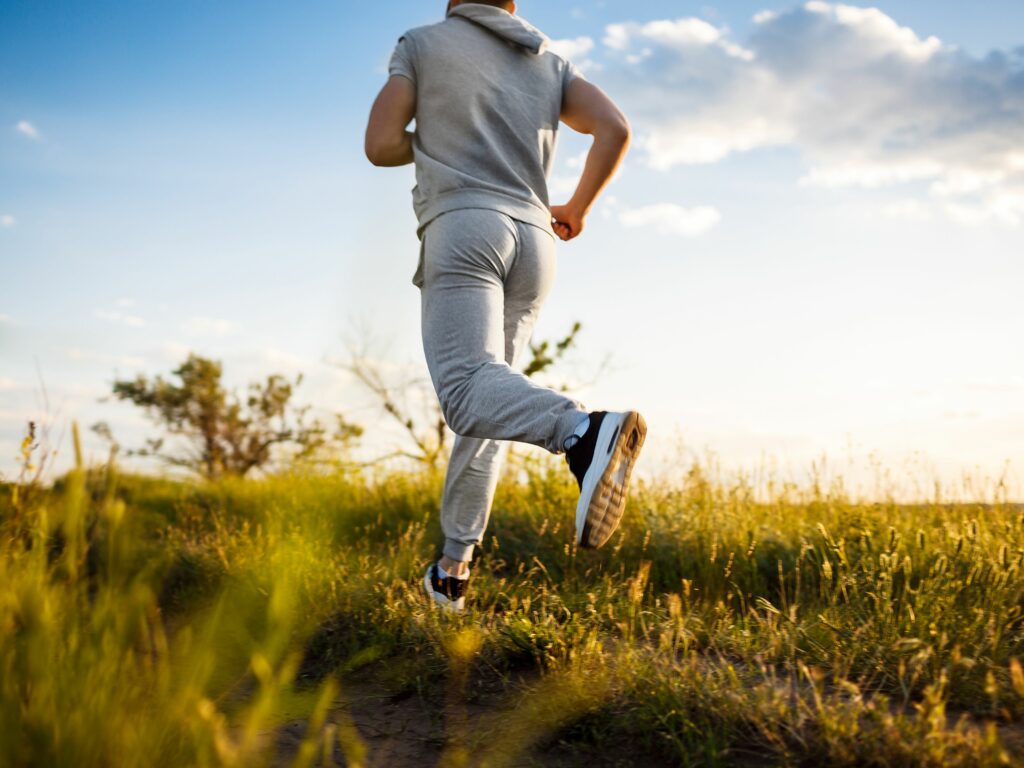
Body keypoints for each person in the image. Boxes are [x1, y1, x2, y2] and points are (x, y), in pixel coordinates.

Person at [364, 0, 646, 612]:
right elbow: (615, 128)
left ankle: (582, 429)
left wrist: (437, 138)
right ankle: (452, 572)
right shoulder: (549, 59)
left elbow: (381, 144)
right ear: (512, 3)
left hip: (467, 226)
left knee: (466, 392)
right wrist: (578, 207)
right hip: (536, 241)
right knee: (491, 404)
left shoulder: (422, 43)